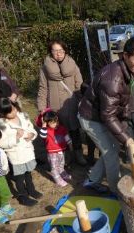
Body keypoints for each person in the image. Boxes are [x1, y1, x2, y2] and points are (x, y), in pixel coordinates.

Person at [78, 37, 134, 193]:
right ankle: (117, 193)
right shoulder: (113, 78)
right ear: (125, 55)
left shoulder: (127, 70)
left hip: (103, 115)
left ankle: (92, 180)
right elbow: (108, 116)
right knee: (111, 154)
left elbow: (121, 102)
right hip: (91, 118)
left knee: (113, 148)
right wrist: (127, 139)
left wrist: (124, 125)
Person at [37, 38, 86, 166]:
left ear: (65, 50)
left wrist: (82, 101)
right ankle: (65, 156)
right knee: (59, 133)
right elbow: (43, 88)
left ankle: (78, 154)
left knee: (75, 131)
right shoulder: (45, 68)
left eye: (61, 50)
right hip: (55, 106)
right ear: (50, 52)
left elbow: (79, 84)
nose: (58, 53)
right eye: (55, 51)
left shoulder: (72, 64)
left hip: (72, 103)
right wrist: (41, 107)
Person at [0, 97, 42, 206]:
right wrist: (15, 137)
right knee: (19, 178)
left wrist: (32, 135)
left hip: (28, 152)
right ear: (2, 113)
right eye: (10, 111)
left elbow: (31, 128)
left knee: (28, 173)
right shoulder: (1, 125)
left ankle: (31, 190)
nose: (14, 111)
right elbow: (1, 143)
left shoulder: (23, 116)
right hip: (16, 155)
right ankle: (23, 196)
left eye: (14, 108)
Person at [38, 110, 73, 187]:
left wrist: (69, 143)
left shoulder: (61, 128)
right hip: (52, 152)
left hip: (61, 150)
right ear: (47, 123)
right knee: (54, 167)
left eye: (56, 121)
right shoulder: (46, 130)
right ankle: (58, 180)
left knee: (61, 164)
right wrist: (43, 125)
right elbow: (42, 136)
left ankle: (63, 174)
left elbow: (66, 136)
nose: (56, 124)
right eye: (53, 122)